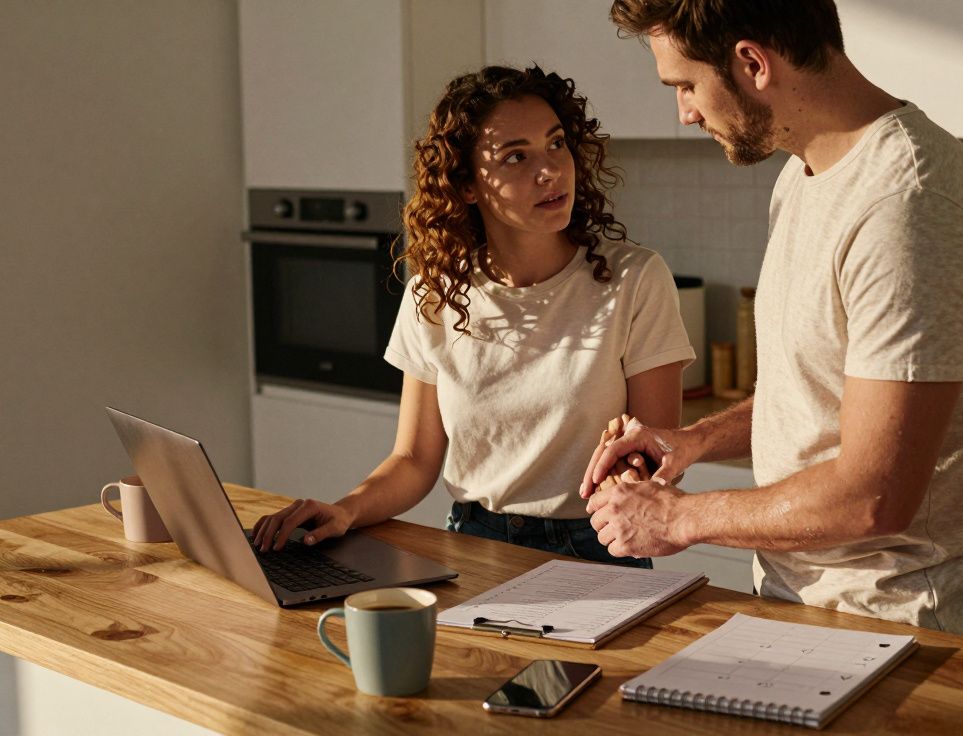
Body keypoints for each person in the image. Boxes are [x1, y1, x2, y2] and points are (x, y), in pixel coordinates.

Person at [582, 0, 963, 641]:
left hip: (906, 627)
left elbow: (874, 495)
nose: (686, 112)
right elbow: (816, 397)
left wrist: (676, 519)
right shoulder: (802, 176)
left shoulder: (906, 206)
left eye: (685, 85)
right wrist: (696, 440)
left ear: (753, 63)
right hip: (802, 608)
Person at [253, 65, 695, 568]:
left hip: (596, 545)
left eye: (556, 144)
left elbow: (662, 453)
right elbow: (414, 460)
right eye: (516, 157)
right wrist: (344, 510)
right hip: (471, 544)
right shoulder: (435, 292)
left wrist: (632, 471)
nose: (550, 170)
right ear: (466, 186)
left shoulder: (635, 279)